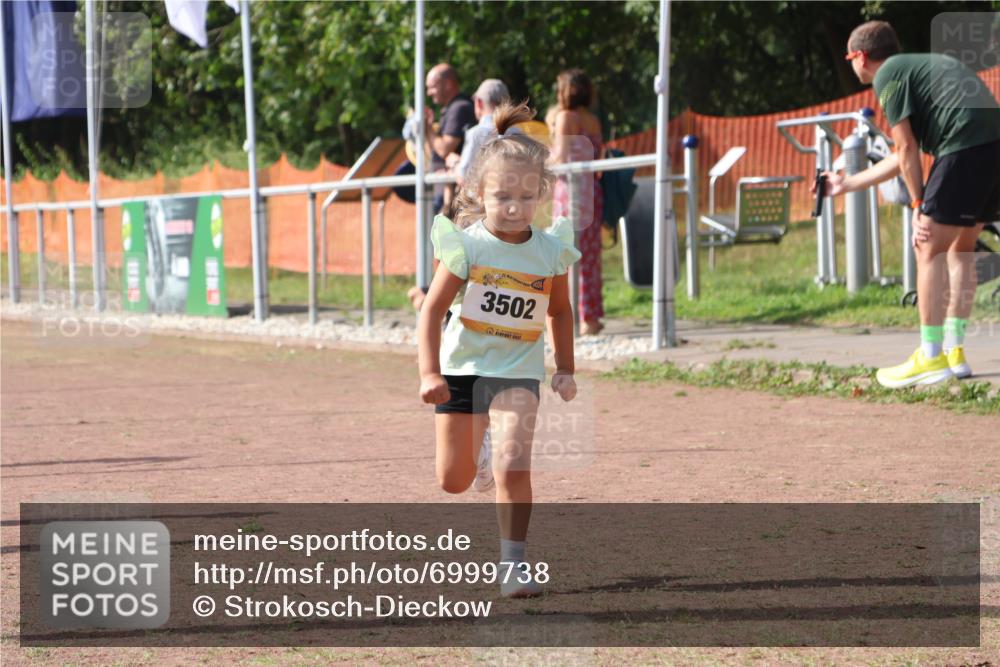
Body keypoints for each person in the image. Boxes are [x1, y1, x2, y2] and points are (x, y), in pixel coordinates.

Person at [417, 101, 579, 598]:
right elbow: (431, 311)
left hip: (517, 371)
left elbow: (559, 312)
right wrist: (429, 374)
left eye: (526, 197)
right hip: (463, 370)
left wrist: (565, 367)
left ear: (541, 194)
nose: (514, 207)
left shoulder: (549, 252)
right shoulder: (467, 247)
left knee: (515, 464)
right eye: (503, 196)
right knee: (453, 480)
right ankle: (478, 450)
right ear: (479, 194)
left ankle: (513, 566)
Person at [818, 21, 1000, 388]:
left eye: (849, 59)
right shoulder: (916, 68)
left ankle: (930, 357)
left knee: (926, 246)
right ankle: (953, 352)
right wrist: (846, 183)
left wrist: (918, 203)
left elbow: (906, 149)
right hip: (992, 147)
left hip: (964, 146)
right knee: (961, 250)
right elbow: (901, 154)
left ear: (861, 56)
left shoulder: (888, 75)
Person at [549, 69, 605, 335]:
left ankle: (569, 316)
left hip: (570, 191)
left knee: (566, 254)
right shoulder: (593, 120)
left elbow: (560, 158)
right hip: (592, 190)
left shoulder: (565, 118)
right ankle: (590, 317)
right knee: (590, 257)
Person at [446, 78, 510, 186]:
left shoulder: (476, 134)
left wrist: (455, 164)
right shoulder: (519, 132)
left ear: (479, 103)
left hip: (487, 195)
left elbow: (464, 177)